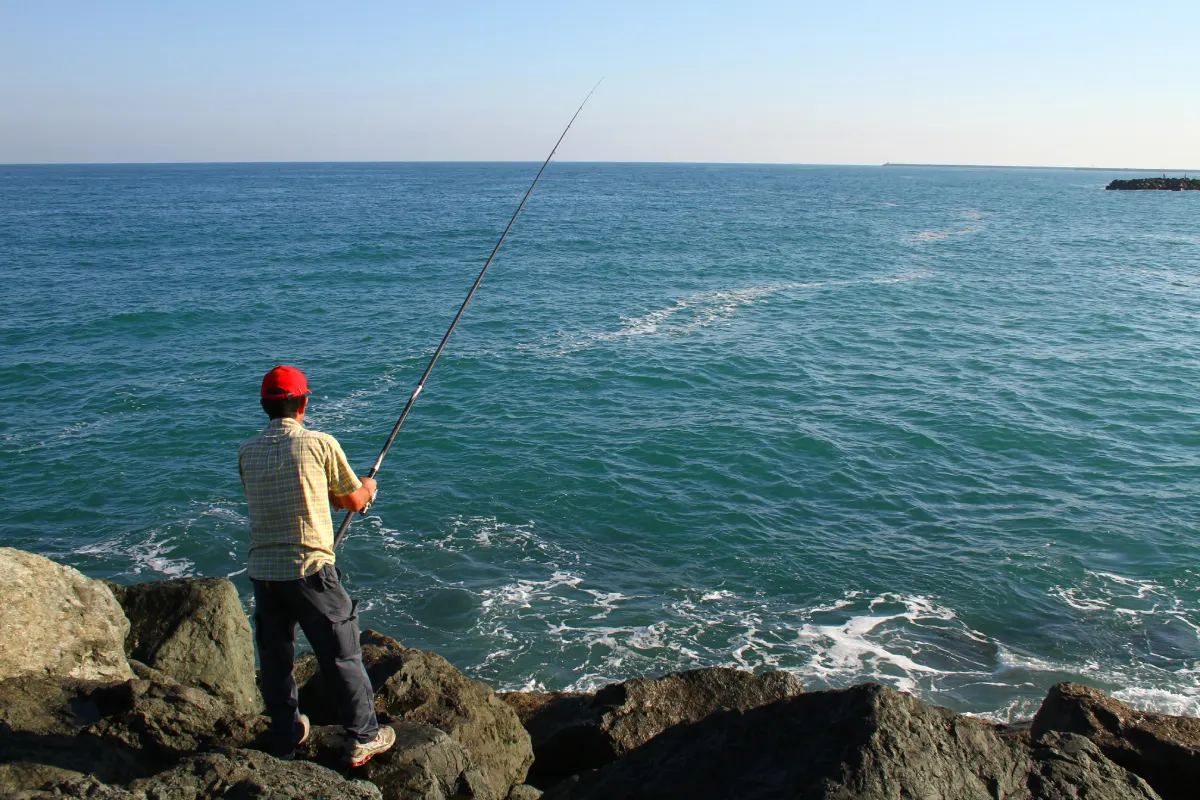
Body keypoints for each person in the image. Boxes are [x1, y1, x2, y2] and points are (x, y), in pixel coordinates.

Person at [239, 364, 396, 766]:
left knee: (276, 660)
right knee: (343, 654)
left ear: (264, 406)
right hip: (310, 571)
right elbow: (352, 500)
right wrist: (370, 485)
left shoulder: (247, 452)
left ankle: (285, 730)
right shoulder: (320, 444)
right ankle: (364, 735)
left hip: (264, 573)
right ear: (303, 403)